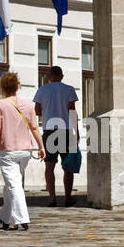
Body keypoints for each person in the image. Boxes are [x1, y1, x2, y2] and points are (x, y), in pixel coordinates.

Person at [0, 71, 45, 231]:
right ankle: (5, 217)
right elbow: (34, 128)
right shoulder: (28, 105)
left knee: (14, 185)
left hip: (7, 150)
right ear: (17, 86)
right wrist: (41, 146)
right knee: (11, 183)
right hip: (25, 150)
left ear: (2, 87)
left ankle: (22, 218)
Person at [33, 65, 80, 208]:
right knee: (68, 166)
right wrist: (76, 130)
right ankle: (67, 197)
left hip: (49, 130)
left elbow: (37, 111)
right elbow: (72, 110)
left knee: (49, 166)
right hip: (65, 130)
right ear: (62, 76)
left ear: (49, 76)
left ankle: (52, 197)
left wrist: (48, 110)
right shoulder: (69, 89)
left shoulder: (42, 90)